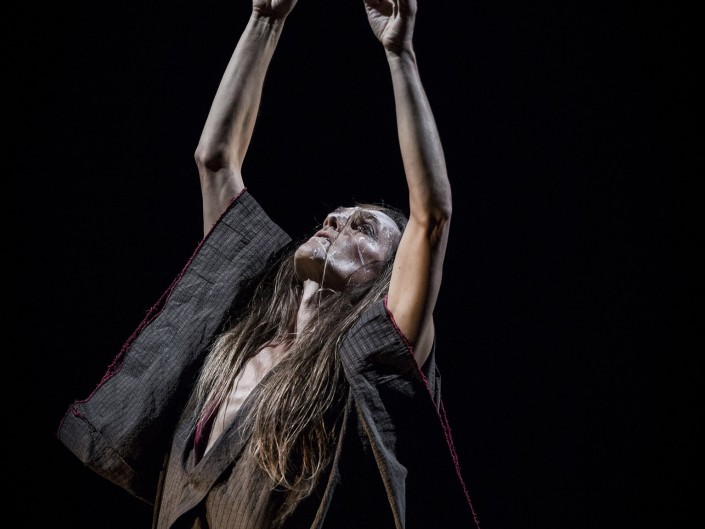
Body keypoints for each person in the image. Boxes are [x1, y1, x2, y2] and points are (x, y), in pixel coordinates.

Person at [58, 1, 481, 527]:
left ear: (384, 280)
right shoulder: (246, 320)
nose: (334, 221)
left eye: (363, 228)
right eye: (337, 214)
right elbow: (215, 158)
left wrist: (400, 54)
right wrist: (265, 18)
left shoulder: (376, 350)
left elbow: (432, 216)